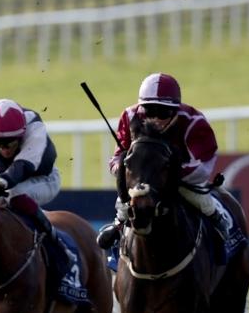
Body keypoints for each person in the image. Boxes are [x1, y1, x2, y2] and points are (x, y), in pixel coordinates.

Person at [95, 73, 230, 249]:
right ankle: (118, 226)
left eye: (163, 112)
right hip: (142, 180)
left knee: (199, 198)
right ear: (141, 108)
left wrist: (167, 174)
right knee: (125, 204)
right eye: (150, 111)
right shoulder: (130, 116)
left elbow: (203, 165)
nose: (156, 119)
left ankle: (218, 220)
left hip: (182, 178)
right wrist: (125, 169)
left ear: (175, 110)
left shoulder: (193, 121)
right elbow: (116, 157)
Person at [0, 98, 68, 276]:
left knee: (14, 195)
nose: (5, 149)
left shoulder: (34, 127)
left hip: (44, 180)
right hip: (7, 181)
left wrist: (0, 183)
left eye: (11, 143)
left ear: (22, 134)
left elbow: (22, 166)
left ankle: (55, 243)